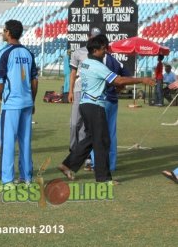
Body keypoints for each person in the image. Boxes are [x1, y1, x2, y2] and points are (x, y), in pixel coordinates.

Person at [57, 35, 155, 183]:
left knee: (91, 138)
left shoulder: (86, 63)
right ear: (95, 50)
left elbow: (99, 81)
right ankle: (103, 178)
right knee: (102, 141)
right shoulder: (98, 66)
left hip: (85, 104)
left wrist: (113, 85)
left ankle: (67, 165)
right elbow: (119, 80)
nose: (106, 51)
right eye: (103, 49)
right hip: (95, 106)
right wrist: (142, 79)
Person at [0, 19, 38, 187]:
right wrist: (32, 100)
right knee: (25, 141)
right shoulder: (28, 53)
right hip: (27, 103)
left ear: (8, 33)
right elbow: (35, 81)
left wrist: (1, 98)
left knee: (7, 142)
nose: (3, 33)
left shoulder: (5, 53)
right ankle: (27, 177)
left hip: (11, 104)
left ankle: (7, 179)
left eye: (4, 30)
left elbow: (0, 80)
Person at [89, 34, 131, 172]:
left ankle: (97, 164)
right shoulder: (115, 61)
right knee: (111, 134)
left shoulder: (97, 61)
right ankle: (110, 165)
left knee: (98, 134)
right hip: (113, 100)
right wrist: (119, 87)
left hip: (100, 101)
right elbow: (126, 76)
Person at [68, 27, 101, 151]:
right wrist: (70, 91)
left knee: (84, 126)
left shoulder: (99, 53)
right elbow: (73, 73)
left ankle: (81, 152)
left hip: (92, 92)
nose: (94, 39)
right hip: (78, 90)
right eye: (93, 37)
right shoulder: (78, 52)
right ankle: (72, 149)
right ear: (88, 36)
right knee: (74, 123)